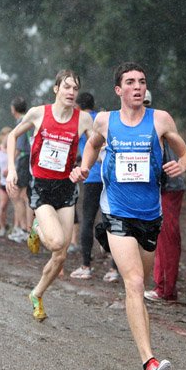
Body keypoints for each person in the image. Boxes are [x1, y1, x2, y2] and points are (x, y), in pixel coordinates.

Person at [70, 62, 186, 370]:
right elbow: (93, 145)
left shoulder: (160, 119)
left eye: (142, 81)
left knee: (142, 280)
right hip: (117, 213)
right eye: (130, 82)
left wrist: (181, 165)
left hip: (151, 216)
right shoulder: (105, 121)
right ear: (119, 90)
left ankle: (135, 318)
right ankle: (149, 361)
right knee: (135, 283)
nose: (138, 87)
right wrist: (85, 168)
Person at [6, 70, 93, 321]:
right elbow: (12, 135)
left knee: (62, 254)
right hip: (41, 187)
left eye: (75, 89)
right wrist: (12, 169)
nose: (71, 92)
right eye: (66, 87)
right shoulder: (38, 113)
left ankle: (36, 294)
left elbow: (98, 145)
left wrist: (84, 166)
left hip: (66, 189)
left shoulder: (83, 120)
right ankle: (36, 226)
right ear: (56, 89)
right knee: (55, 242)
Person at [69, 92, 120, 282]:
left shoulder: (81, 120)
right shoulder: (102, 119)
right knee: (112, 220)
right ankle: (114, 269)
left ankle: (86, 266)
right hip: (109, 176)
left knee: (88, 221)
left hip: (90, 176)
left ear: (78, 105)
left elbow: (79, 146)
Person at [144, 89, 186, 302]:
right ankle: (164, 286)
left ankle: (165, 289)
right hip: (163, 188)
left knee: (166, 237)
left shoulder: (154, 123)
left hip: (168, 188)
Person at [7, 96, 33, 243]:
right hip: (30, 161)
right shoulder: (30, 120)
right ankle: (26, 228)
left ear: (13, 109)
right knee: (25, 195)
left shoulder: (21, 122)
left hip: (23, 161)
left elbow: (19, 146)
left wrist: (9, 166)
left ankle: (24, 228)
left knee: (19, 195)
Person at [0, 127, 12, 237]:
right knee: (3, 206)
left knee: (17, 205)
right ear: (2, 136)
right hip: (3, 183)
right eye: (7, 137)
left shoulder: (15, 150)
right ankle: (2, 227)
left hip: (14, 182)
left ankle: (16, 226)